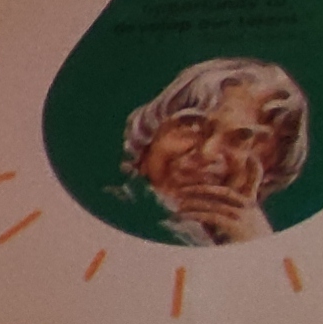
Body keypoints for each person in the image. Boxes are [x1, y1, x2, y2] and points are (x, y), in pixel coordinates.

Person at [117, 56, 310, 246]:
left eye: (242, 138)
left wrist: (256, 244)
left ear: (270, 169)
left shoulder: (253, 240)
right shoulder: (115, 213)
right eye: (192, 124)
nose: (207, 152)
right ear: (150, 133)